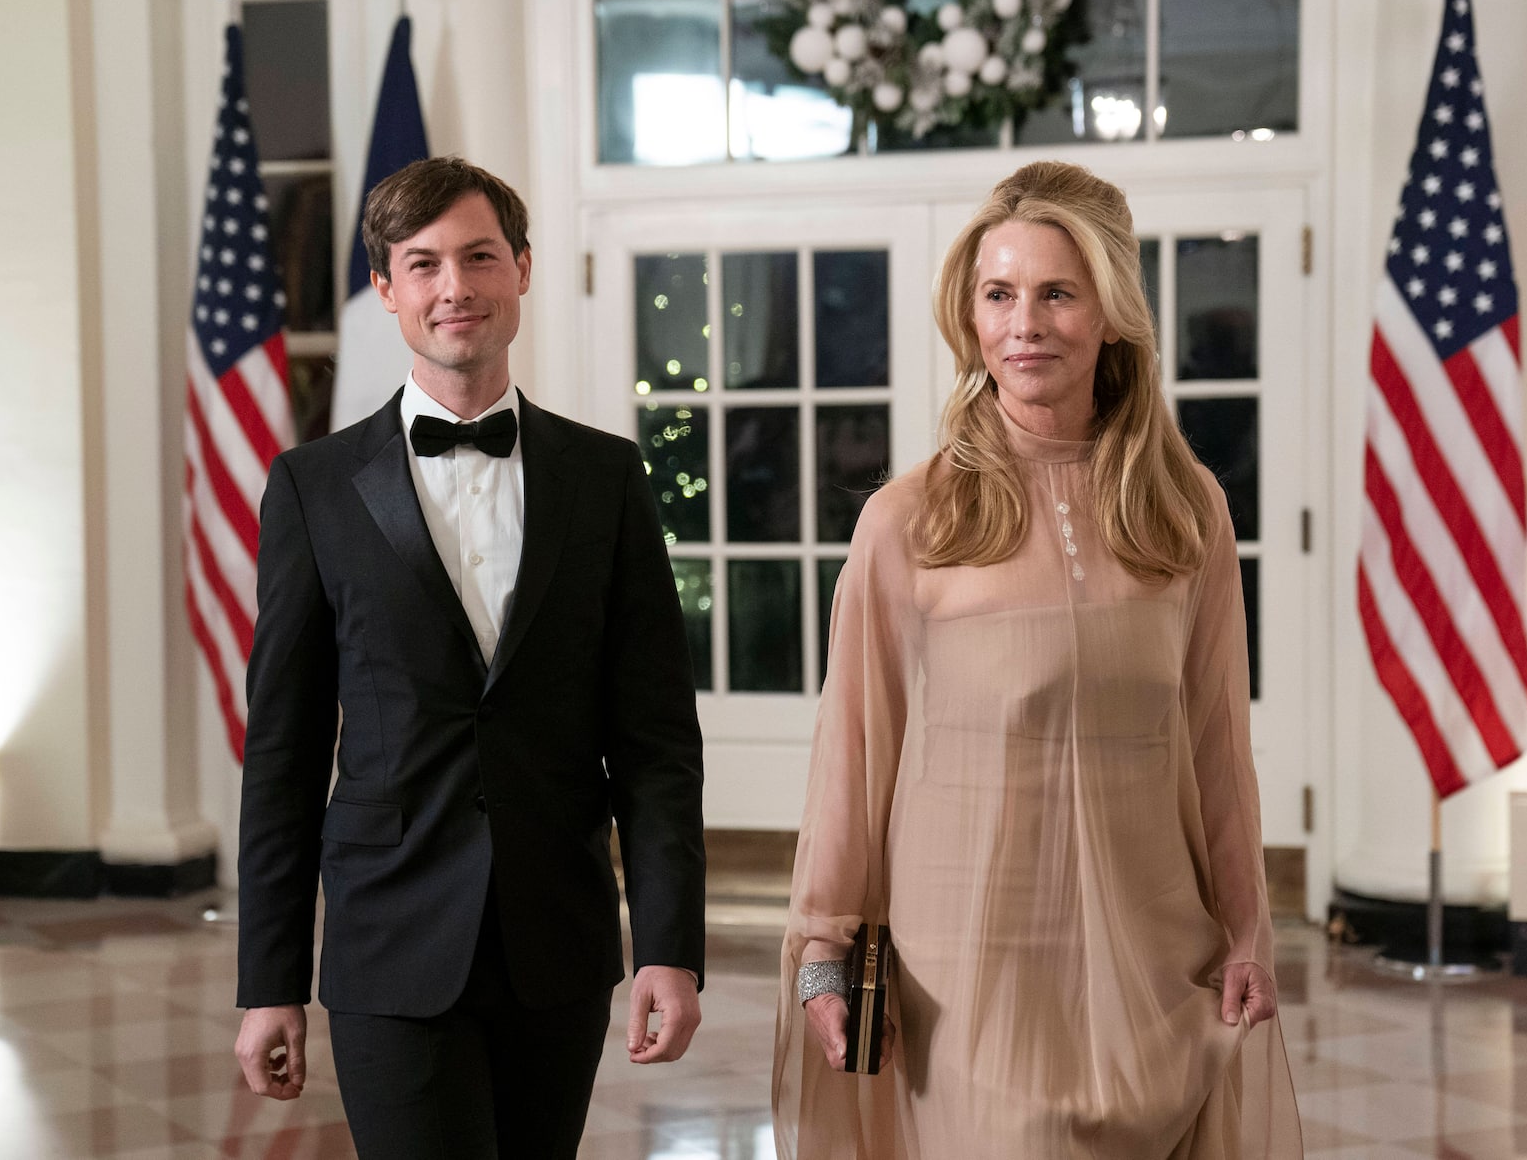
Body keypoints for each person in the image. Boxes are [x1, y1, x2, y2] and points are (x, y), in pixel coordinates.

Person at [772, 161, 1302, 1157]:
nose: (1026, 323)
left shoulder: (1188, 511)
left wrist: (1247, 928)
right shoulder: (908, 518)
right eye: (999, 295)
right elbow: (854, 748)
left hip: (1155, 962)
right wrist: (822, 945)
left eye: (1057, 292)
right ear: (969, 318)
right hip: (967, 975)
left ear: (1111, 312)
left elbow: (1218, 745)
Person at [234, 156, 707, 1159]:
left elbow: (657, 741)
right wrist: (268, 979)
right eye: (425, 263)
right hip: (388, 947)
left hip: (559, 946)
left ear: (524, 269)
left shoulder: (606, 477)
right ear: (386, 289)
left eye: (480, 256)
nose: (456, 287)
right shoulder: (313, 487)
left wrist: (668, 946)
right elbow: (282, 753)